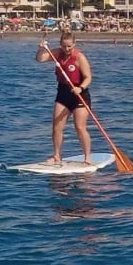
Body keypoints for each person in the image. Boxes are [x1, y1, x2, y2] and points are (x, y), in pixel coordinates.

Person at [35, 31, 94, 166]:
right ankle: (57, 156)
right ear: (60, 44)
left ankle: (87, 158)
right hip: (63, 93)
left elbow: (88, 77)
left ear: (74, 44)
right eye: (64, 46)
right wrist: (41, 49)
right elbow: (40, 59)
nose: (66, 49)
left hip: (79, 95)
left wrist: (80, 88)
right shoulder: (57, 53)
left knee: (79, 127)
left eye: (69, 46)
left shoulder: (80, 57)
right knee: (57, 126)